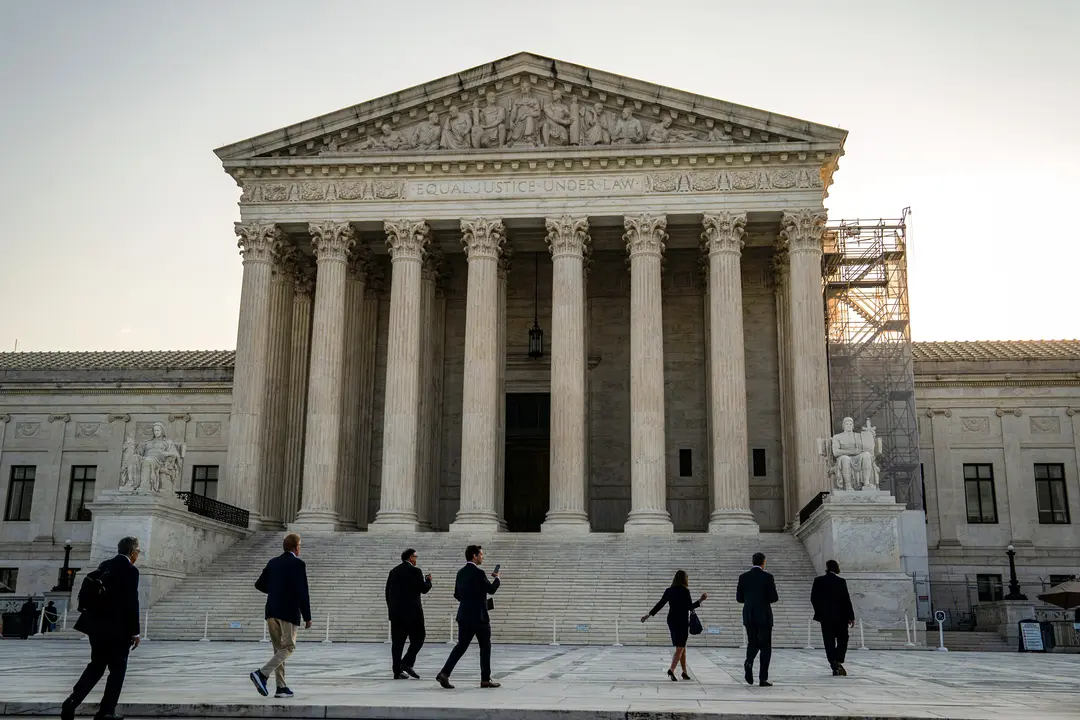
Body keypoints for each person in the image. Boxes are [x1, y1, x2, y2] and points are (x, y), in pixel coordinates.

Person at [62, 536, 142, 720]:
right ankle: (106, 711)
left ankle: (73, 700)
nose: (138, 555)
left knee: (96, 666)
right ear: (132, 552)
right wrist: (135, 632)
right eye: (137, 551)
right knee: (117, 670)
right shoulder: (131, 570)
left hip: (96, 627)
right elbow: (131, 603)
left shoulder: (105, 564)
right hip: (118, 630)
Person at [250, 533, 312, 700]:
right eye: (300, 545)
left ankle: (281, 687)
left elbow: (259, 584)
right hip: (288, 612)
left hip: (271, 611)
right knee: (289, 648)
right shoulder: (298, 564)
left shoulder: (273, 562)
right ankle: (262, 674)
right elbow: (302, 592)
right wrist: (307, 616)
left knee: (279, 650)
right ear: (296, 547)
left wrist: (276, 592)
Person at [436, 544, 500, 689]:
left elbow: (457, 594)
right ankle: (485, 679)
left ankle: (444, 673)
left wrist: (469, 600)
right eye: (481, 554)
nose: (482, 557)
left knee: (461, 646)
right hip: (479, 617)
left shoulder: (460, 573)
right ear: (474, 556)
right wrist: (497, 579)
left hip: (464, 615)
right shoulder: (479, 573)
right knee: (485, 646)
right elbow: (491, 590)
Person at [641, 570, 707, 681]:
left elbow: (660, 604)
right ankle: (671, 669)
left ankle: (684, 672)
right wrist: (701, 600)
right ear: (684, 579)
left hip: (672, 620)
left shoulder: (669, 591)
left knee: (681, 646)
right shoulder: (685, 591)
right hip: (682, 621)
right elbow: (690, 607)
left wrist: (648, 615)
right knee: (681, 646)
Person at [386, 547, 432, 679]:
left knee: (397, 643)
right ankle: (406, 662)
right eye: (415, 557)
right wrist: (428, 580)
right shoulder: (415, 571)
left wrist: (392, 610)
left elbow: (387, 593)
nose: (416, 559)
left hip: (397, 615)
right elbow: (423, 589)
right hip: (413, 615)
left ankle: (397, 671)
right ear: (411, 558)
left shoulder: (393, 571)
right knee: (419, 638)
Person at [736, 552, 778, 687]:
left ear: (752, 561)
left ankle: (749, 661)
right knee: (765, 646)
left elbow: (739, 598)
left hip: (749, 615)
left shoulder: (743, 577)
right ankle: (763, 678)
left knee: (752, 642)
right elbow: (773, 598)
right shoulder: (768, 577)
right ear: (763, 562)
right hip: (764, 615)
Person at [811, 559, 856, 676]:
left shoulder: (818, 580)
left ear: (826, 568)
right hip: (841, 617)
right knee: (843, 639)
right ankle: (838, 659)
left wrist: (819, 613)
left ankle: (833, 663)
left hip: (826, 618)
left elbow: (813, 598)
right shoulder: (841, 581)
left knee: (828, 642)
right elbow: (847, 600)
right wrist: (851, 617)